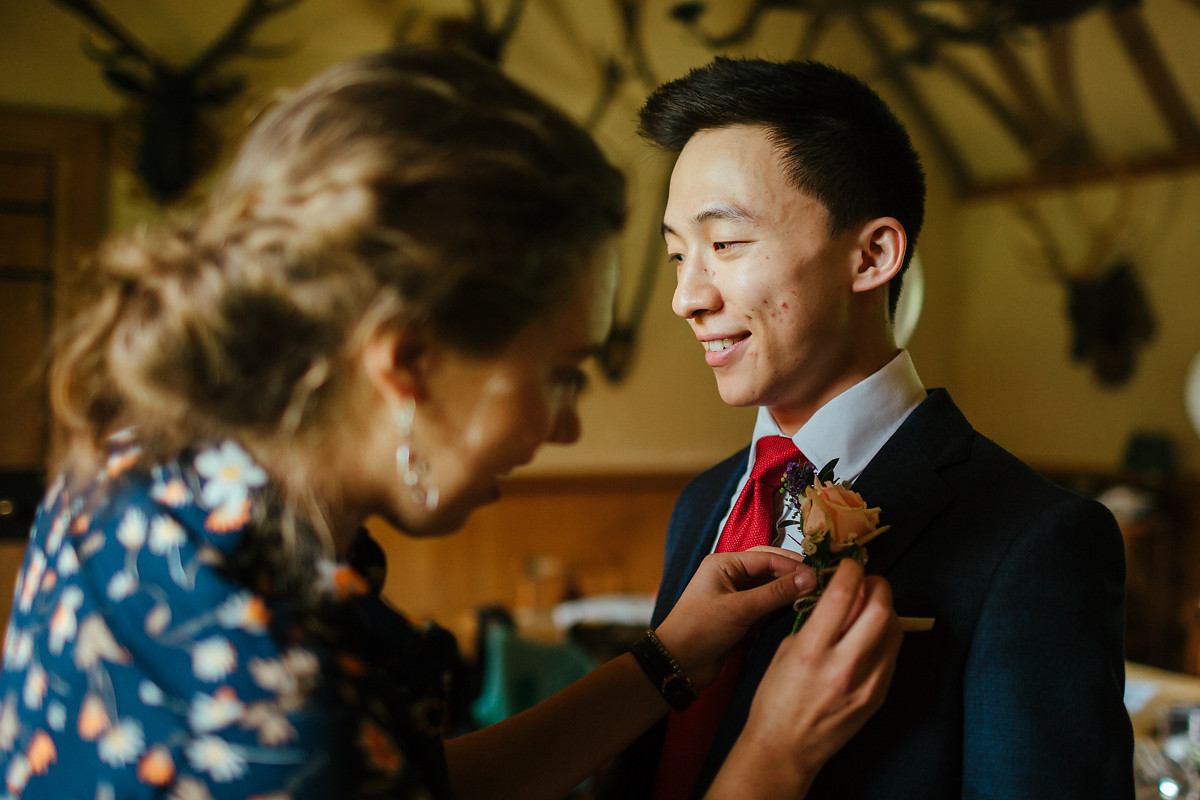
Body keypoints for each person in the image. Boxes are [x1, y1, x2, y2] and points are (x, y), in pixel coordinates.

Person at [0, 48, 902, 800]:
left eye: (727, 244)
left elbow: (416, 784)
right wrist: (771, 763)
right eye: (558, 377)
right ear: (407, 361)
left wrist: (663, 663)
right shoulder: (279, 718)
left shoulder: (135, 480)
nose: (567, 431)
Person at [600, 57, 1134, 800]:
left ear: (872, 255)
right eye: (676, 256)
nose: (686, 297)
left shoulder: (1033, 544)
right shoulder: (703, 505)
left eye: (724, 245)